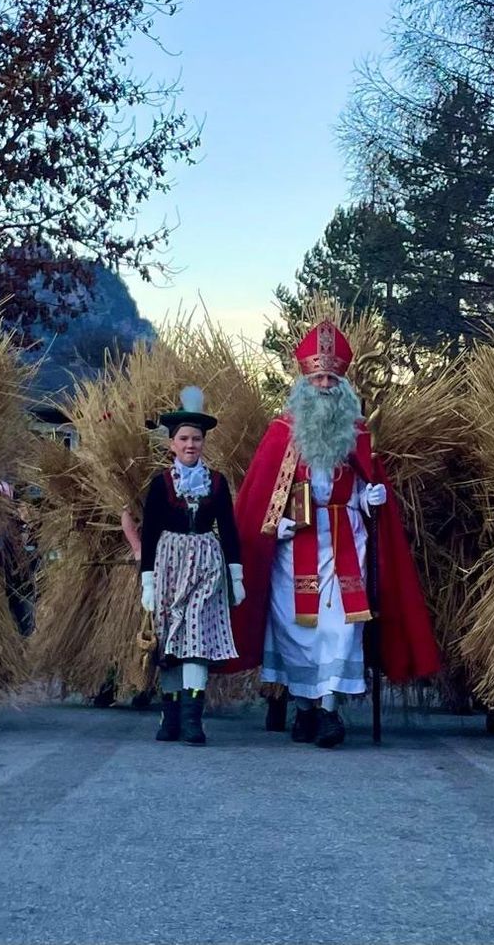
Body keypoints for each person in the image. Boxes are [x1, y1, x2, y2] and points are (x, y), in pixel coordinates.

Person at [230, 320, 440, 748]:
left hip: (347, 540)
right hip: (295, 549)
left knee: (342, 627)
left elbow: (364, 489)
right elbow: (261, 501)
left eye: (331, 378)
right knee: (297, 631)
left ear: (342, 383)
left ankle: (329, 712)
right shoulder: (280, 433)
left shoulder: (358, 433)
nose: (324, 384)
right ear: (304, 382)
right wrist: (280, 527)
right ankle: (304, 710)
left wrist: (374, 498)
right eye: (317, 378)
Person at [139, 387, 244, 746]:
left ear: (203, 443)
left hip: (205, 563)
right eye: (183, 438)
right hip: (168, 563)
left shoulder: (216, 483)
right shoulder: (159, 484)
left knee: (196, 634)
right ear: (172, 444)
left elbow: (229, 529)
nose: (190, 445)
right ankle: (170, 719)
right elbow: (149, 533)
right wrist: (148, 583)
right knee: (170, 639)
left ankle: (192, 722)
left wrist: (235, 573)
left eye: (196, 439)